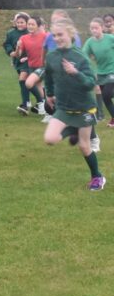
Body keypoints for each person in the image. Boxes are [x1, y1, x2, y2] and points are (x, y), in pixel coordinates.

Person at [44, 19, 106, 191]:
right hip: (64, 107)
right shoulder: (51, 56)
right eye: (54, 35)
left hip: (84, 107)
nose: (57, 38)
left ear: (71, 34)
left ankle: (97, 177)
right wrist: (49, 93)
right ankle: (73, 130)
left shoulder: (80, 56)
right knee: (50, 139)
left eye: (60, 34)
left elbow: (90, 84)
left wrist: (75, 72)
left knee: (84, 146)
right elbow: (48, 76)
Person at [82, 17, 114, 127]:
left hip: (112, 70)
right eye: (92, 28)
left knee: (106, 94)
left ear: (102, 28)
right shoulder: (90, 42)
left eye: (96, 28)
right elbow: (84, 56)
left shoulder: (110, 38)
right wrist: (91, 70)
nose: (94, 30)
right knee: (106, 98)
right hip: (100, 72)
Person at [15, 15, 47, 115]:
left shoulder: (45, 36)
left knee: (28, 82)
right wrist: (17, 47)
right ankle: (46, 107)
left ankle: (41, 105)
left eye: (33, 24)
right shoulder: (24, 38)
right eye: (29, 24)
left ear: (38, 26)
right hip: (31, 66)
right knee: (38, 86)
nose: (30, 26)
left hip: (43, 66)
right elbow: (18, 55)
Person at [3, 12, 30, 111]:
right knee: (28, 83)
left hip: (28, 61)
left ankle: (25, 105)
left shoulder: (29, 33)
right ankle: (38, 101)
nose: (19, 24)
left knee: (23, 80)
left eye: (22, 22)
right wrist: (11, 53)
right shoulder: (11, 33)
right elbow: (7, 44)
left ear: (27, 22)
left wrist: (27, 57)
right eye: (18, 22)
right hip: (17, 61)